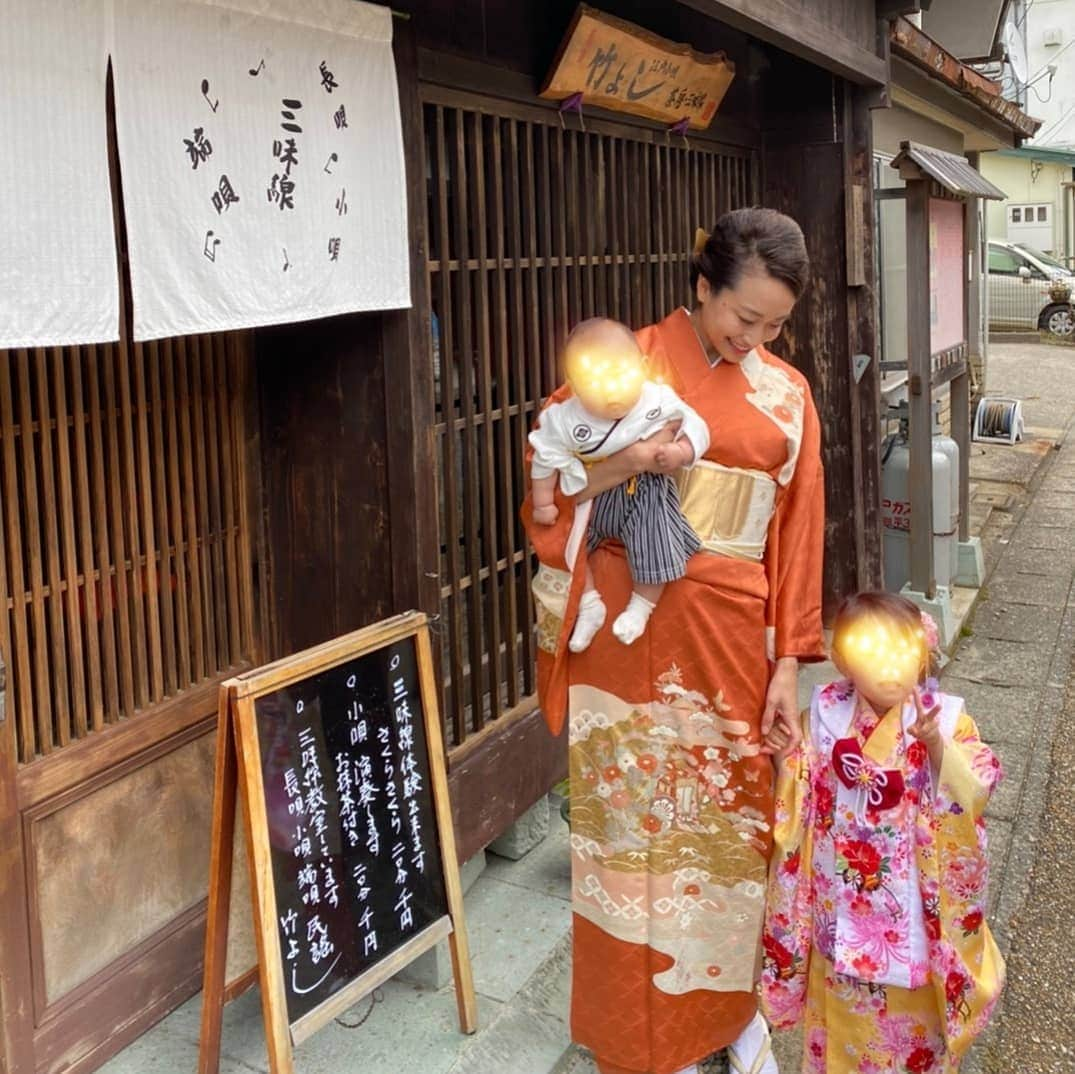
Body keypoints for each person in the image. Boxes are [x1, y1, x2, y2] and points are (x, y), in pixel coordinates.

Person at [522, 208, 826, 1074]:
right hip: (627, 634)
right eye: (743, 319)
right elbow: (549, 487)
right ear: (702, 288)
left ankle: (729, 1016)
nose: (756, 338)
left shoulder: (786, 394)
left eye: (773, 326)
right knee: (629, 836)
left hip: (731, 637)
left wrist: (789, 663)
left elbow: (797, 537)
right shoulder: (626, 365)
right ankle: (639, 1034)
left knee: (728, 832)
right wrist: (630, 463)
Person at [760, 592, 1005, 1074]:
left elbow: (976, 785)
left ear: (923, 651)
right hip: (838, 913)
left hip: (912, 915)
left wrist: (935, 745)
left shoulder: (948, 719)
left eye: (903, 650)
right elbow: (800, 795)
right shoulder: (825, 718)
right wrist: (784, 755)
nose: (891, 666)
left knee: (914, 1043)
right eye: (872, 652)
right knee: (841, 1041)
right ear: (843, 660)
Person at [529, 317, 710, 651]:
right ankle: (589, 604)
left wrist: (680, 452)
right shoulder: (562, 416)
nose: (610, 391)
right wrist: (543, 503)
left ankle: (641, 607)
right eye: (593, 381)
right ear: (572, 383)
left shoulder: (657, 398)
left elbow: (696, 427)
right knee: (565, 544)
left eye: (621, 377)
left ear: (642, 367)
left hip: (644, 490)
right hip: (589, 496)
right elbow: (545, 456)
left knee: (653, 536)